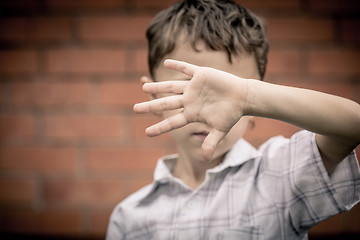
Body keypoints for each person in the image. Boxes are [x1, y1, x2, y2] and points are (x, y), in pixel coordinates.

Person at [106, 0, 360, 239]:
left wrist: (250, 97)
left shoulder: (280, 176)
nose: (206, 113)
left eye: (225, 96)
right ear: (154, 94)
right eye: (186, 91)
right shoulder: (129, 217)